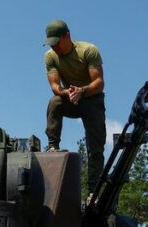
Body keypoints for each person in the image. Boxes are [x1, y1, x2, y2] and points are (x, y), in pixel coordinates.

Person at [42, 19, 106, 195]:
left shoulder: (88, 51)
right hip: (70, 97)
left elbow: (99, 83)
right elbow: (54, 86)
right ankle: (53, 145)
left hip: (92, 99)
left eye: (57, 43)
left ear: (67, 36)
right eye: (51, 44)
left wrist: (82, 91)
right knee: (55, 102)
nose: (55, 48)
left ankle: (94, 191)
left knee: (95, 149)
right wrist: (65, 92)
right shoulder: (50, 56)